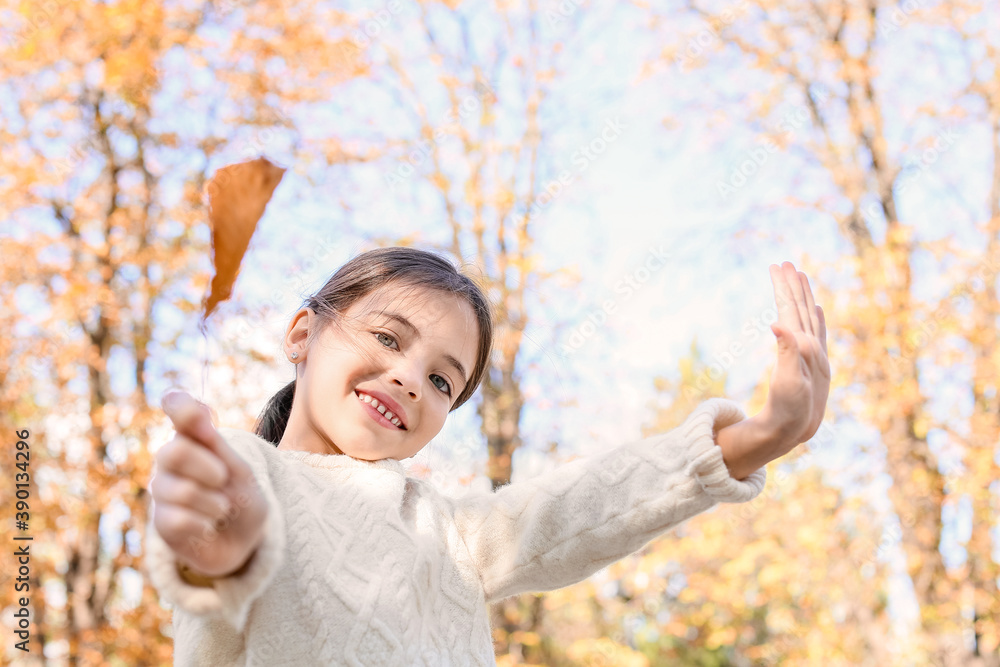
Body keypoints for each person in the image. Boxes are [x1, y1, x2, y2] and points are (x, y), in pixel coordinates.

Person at [145, 246, 829, 666]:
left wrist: (759, 435)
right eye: (387, 336)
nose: (410, 376)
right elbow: (208, 548)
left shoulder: (449, 533)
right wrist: (213, 530)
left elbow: (582, 505)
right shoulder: (246, 473)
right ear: (303, 332)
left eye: (442, 379)